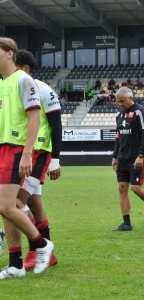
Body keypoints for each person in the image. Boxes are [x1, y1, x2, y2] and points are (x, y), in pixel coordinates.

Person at [0, 37, 54, 278]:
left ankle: (41, 244)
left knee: (7, 206)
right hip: (2, 147)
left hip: (14, 148)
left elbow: (34, 118)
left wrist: (26, 154)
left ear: (10, 53)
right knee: (6, 209)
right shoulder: (2, 83)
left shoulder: (23, 79)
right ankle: (15, 264)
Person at [13, 49, 62, 271]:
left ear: (24, 68)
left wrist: (56, 159)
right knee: (33, 203)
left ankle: (38, 247)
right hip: (21, 152)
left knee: (14, 202)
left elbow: (57, 125)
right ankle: (47, 255)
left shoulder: (43, 89)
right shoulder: (13, 88)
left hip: (39, 152)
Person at [111, 87, 144, 231]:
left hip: (136, 158)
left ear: (131, 98)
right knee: (122, 188)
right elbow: (118, 137)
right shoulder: (119, 115)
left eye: (122, 101)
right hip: (122, 157)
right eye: (118, 102)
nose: (120, 104)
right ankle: (126, 223)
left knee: (135, 188)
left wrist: (141, 156)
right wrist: (115, 156)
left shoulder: (140, 111)